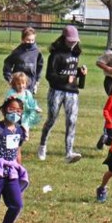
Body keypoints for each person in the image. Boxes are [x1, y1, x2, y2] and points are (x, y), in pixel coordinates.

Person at [37, 26, 86, 164]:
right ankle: (42, 145)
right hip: (57, 91)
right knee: (52, 119)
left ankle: (69, 152)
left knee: (71, 121)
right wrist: (65, 79)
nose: (73, 43)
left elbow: (75, 78)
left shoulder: (76, 54)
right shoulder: (56, 55)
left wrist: (81, 74)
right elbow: (50, 75)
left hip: (72, 92)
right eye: (70, 41)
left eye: (75, 41)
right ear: (63, 38)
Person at [2, 28, 44, 93]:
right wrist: (9, 77)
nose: (30, 42)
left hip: (30, 83)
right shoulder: (17, 51)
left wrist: (36, 82)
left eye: (32, 40)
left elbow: (39, 66)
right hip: (18, 83)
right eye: (28, 40)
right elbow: (7, 63)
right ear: (23, 39)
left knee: (28, 101)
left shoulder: (37, 52)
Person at [5, 72, 41, 140]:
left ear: (26, 83)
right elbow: (6, 103)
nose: (21, 86)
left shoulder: (27, 93)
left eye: (23, 83)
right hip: (14, 115)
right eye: (18, 84)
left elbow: (32, 102)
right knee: (13, 129)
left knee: (24, 126)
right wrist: (10, 99)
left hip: (25, 115)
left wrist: (36, 108)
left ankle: (24, 134)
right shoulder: (12, 92)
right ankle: (14, 136)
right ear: (14, 84)